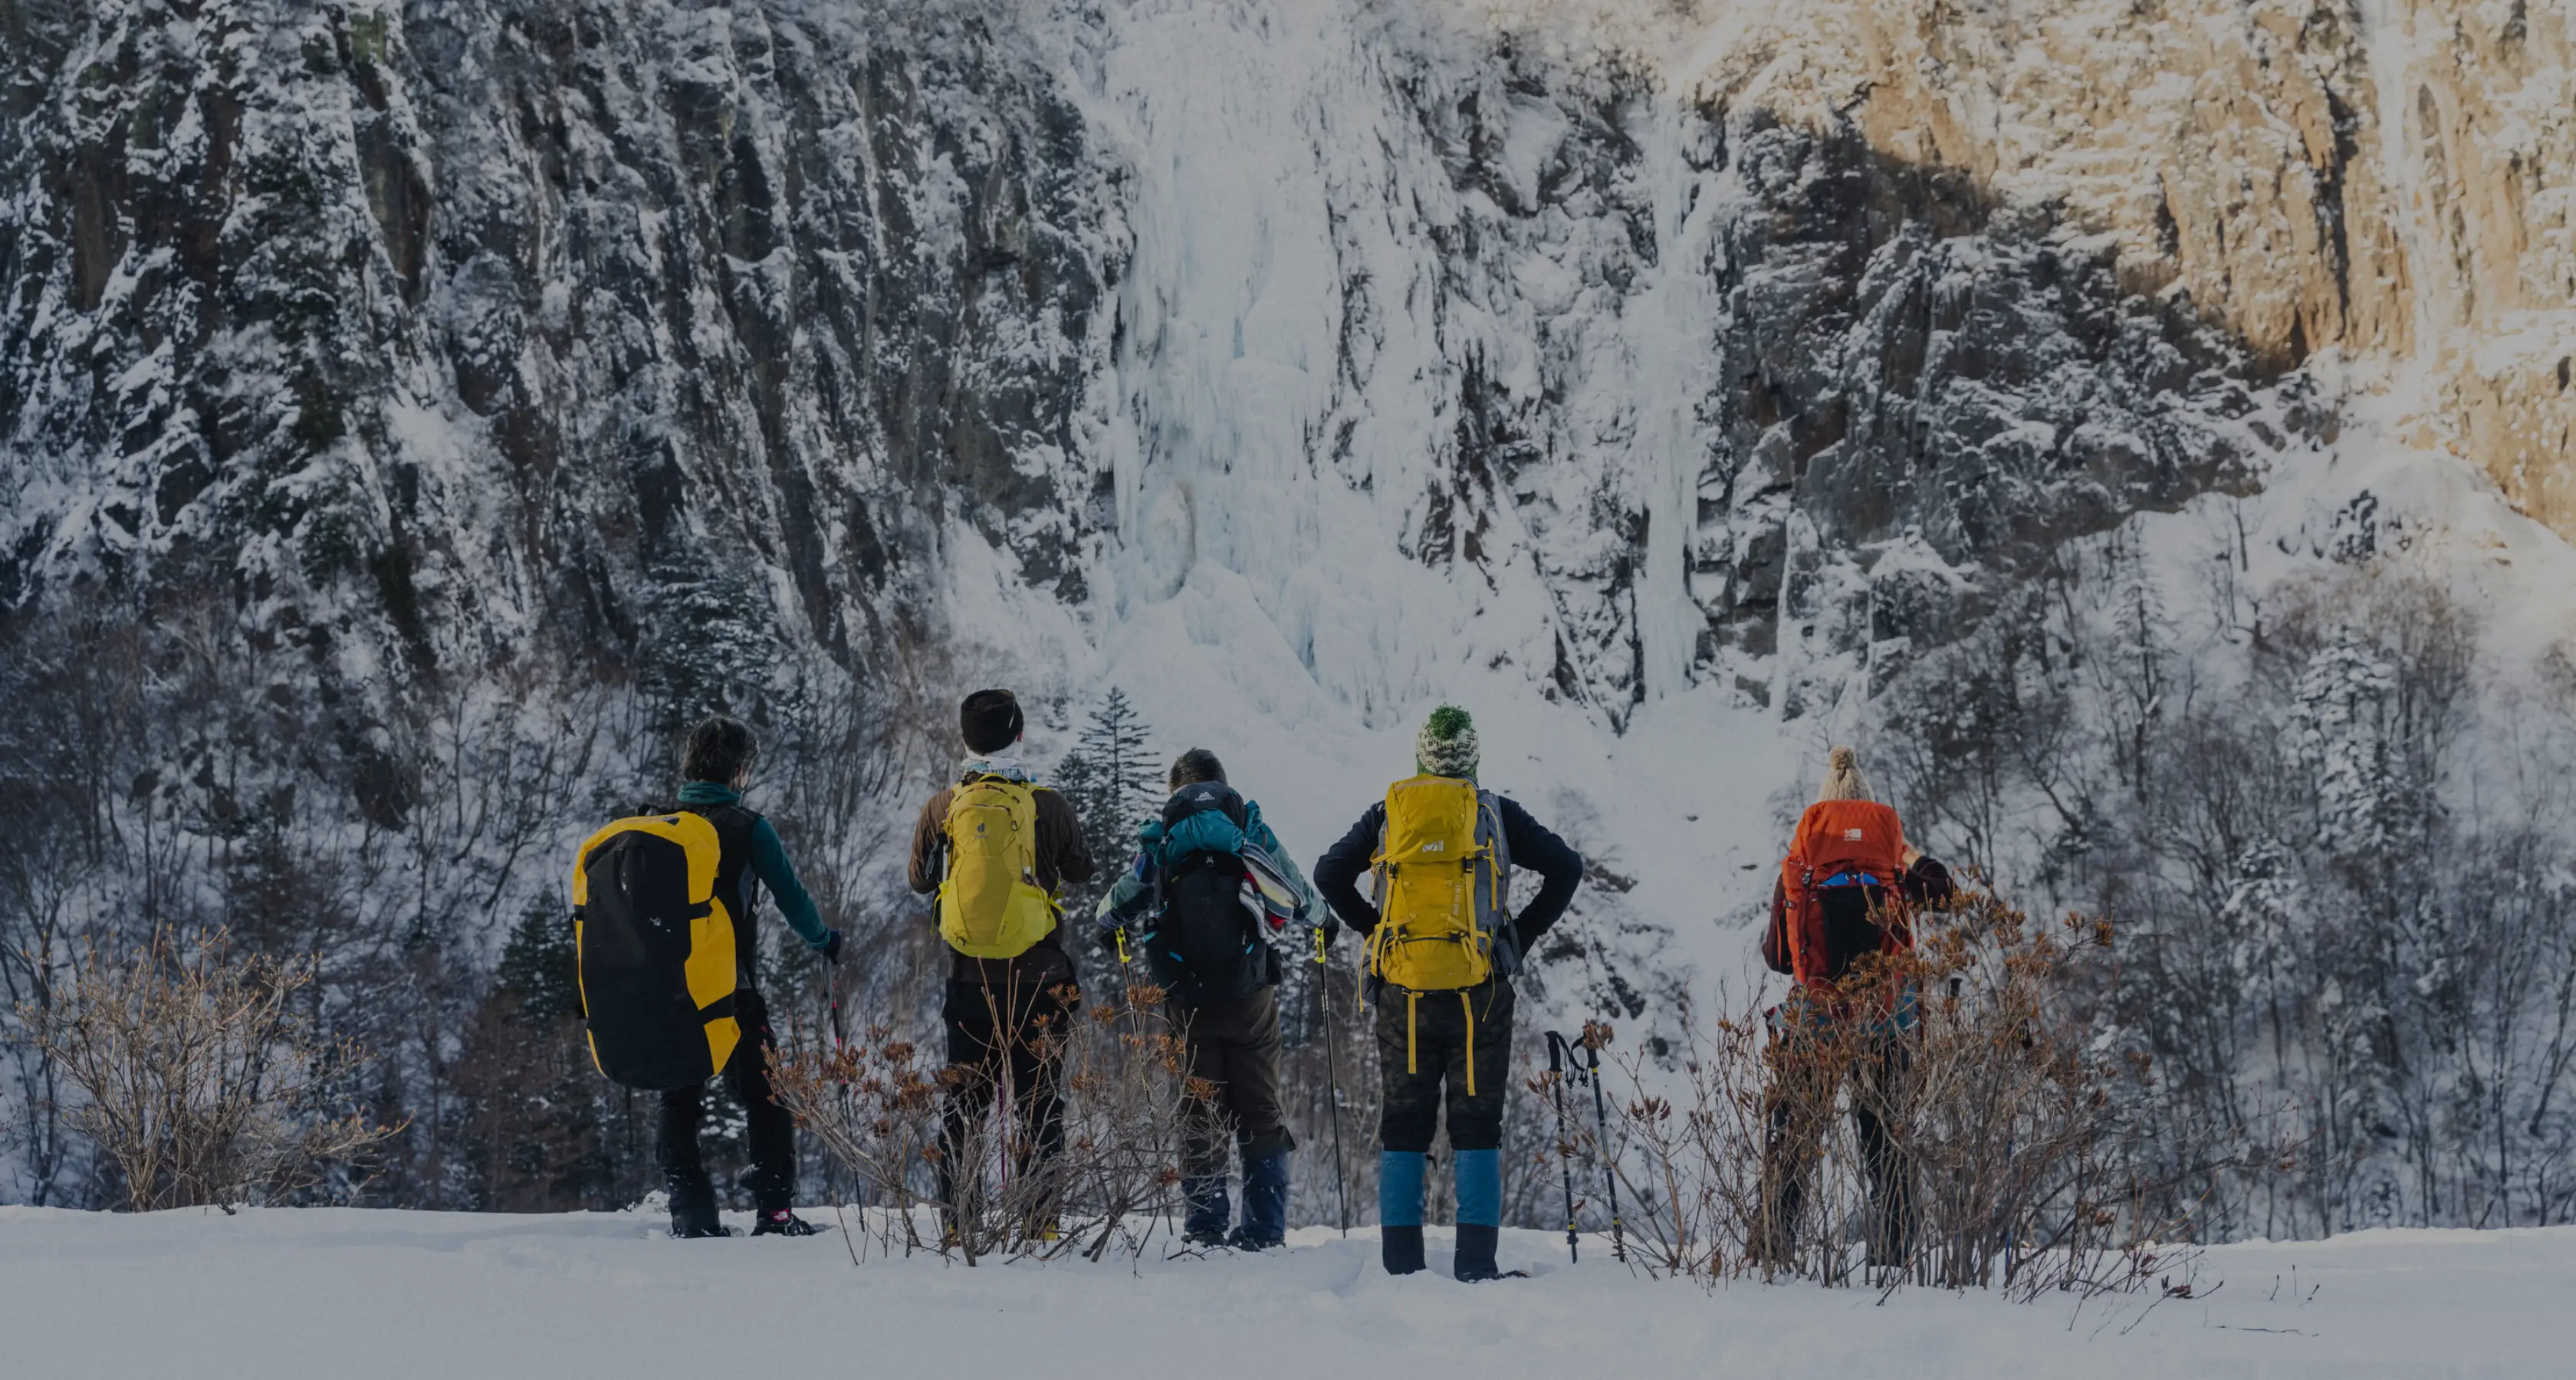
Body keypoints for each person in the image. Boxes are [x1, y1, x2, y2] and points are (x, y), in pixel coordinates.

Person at [1313, 705, 1584, 1281]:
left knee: (1403, 1127)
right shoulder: (1497, 815)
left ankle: (1401, 1266)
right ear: (1473, 759)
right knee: (1478, 1128)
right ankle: (1476, 1267)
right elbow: (1566, 868)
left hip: (1403, 996)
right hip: (1480, 993)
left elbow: (1328, 874)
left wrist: (1377, 934)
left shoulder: (1388, 814)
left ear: (1420, 757)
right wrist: (1516, 940)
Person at [1096, 748, 1324, 1250]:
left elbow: (1117, 903)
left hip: (1187, 1000)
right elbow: (1301, 898)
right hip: (1250, 997)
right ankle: (1264, 1230)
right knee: (1260, 1109)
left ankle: (1204, 1227)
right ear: (1223, 784)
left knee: (1199, 1112)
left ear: (1175, 790)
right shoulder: (1249, 829)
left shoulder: (1162, 839)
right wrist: (1323, 919)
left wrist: (1110, 922)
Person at [906, 688, 1095, 1234]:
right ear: (1019, 736)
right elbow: (1081, 870)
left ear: (966, 740)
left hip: (969, 981)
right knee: (1039, 1105)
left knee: (964, 1106)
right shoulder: (1047, 805)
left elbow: (919, 880)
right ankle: (1040, 1222)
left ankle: (959, 1223)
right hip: (1041, 981)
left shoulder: (942, 807)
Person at [658, 715, 844, 1239]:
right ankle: (775, 1212)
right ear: (739, 772)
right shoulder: (746, 827)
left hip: (669, 993)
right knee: (768, 1094)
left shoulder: (658, 826)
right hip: (731, 992)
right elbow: (792, 898)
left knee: (679, 1099)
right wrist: (824, 940)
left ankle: (690, 1213)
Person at [1753, 744, 1930, 1270]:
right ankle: (1893, 1258)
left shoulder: (1800, 865)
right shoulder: (1893, 865)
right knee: (1886, 1142)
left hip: (1819, 1016)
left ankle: (1773, 1252)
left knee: (1794, 1138)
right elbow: (1942, 898)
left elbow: (1779, 958)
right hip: (1886, 1015)